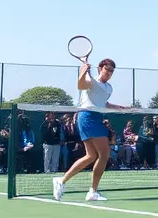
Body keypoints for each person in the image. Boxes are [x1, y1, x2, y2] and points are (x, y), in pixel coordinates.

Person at [53, 57, 129, 202]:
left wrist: (119, 107)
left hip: (97, 117)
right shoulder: (91, 81)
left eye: (112, 71)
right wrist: (82, 72)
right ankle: (93, 192)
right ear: (100, 68)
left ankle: (61, 181)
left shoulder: (109, 88)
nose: (109, 73)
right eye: (107, 70)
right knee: (105, 153)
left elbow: (103, 102)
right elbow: (81, 85)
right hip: (87, 117)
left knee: (91, 156)